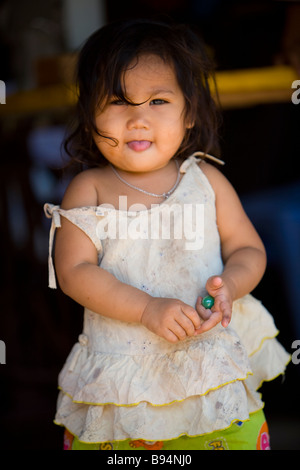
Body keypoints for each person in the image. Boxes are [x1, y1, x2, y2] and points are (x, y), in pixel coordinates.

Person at [44, 19, 290, 450]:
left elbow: (248, 248)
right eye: (119, 101)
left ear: (189, 111)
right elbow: (74, 270)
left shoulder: (206, 180)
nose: (138, 119)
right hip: (126, 379)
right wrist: (145, 308)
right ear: (89, 113)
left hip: (208, 368)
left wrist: (231, 285)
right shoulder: (90, 189)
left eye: (158, 100)